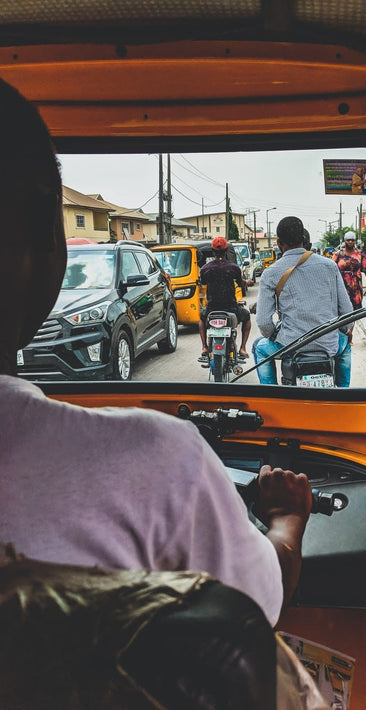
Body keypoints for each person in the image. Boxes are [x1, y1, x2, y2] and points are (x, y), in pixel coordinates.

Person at [0, 78, 313, 630]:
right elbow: (258, 605)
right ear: (40, 234)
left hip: (213, 319)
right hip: (247, 333)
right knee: (247, 329)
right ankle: (235, 353)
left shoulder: (210, 267)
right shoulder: (156, 462)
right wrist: (287, 516)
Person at [253, 216, 353, 387]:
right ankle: (342, 395)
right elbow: (347, 312)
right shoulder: (329, 266)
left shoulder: (270, 273)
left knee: (260, 348)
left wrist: (278, 337)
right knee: (345, 348)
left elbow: (263, 323)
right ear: (304, 239)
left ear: (278, 243)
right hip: (327, 344)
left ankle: (272, 395)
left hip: (290, 346)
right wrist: (341, 332)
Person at [197, 236, 252, 363]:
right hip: (231, 308)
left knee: (201, 318)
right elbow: (241, 282)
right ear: (226, 251)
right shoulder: (234, 268)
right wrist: (247, 282)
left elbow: (203, 282)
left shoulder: (205, 269)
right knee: (247, 317)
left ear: (213, 251)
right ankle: (243, 348)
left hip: (212, 308)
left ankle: (204, 347)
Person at [332, 230, 366, 312]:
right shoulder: (338, 254)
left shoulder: (360, 254)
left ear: (355, 241)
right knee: (342, 310)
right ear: (345, 241)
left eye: (352, 240)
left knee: (355, 312)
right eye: (348, 240)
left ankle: (352, 325)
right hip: (342, 287)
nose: (350, 242)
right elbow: (330, 269)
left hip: (356, 288)